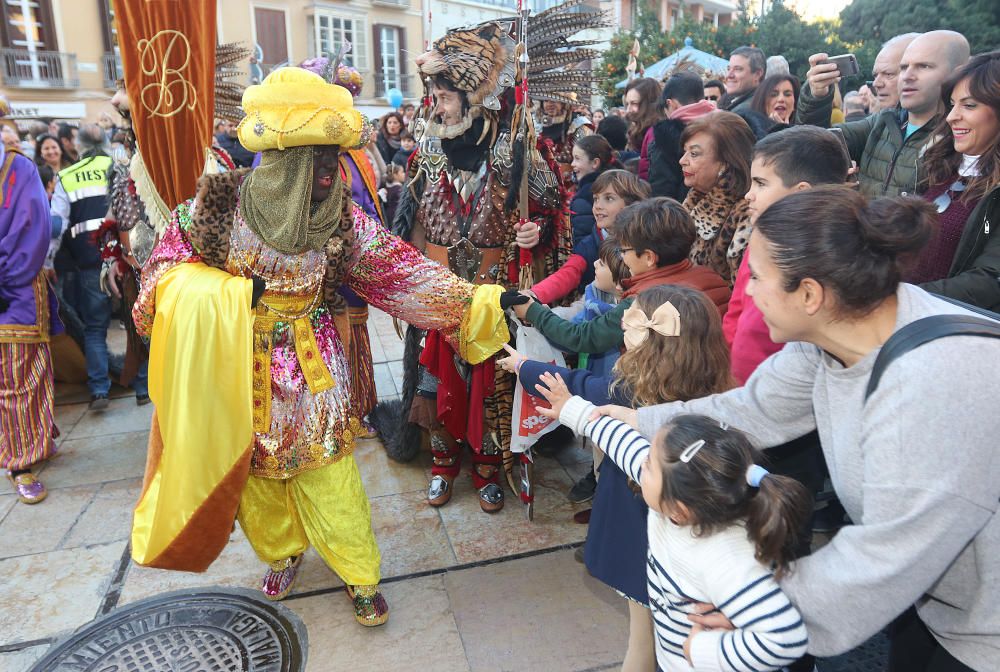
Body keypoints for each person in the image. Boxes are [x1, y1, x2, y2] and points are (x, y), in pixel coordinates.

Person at [132, 66, 516, 626]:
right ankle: (282, 552)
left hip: (315, 368)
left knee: (329, 472)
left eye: (333, 159)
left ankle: (359, 574)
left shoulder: (342, 219)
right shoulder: (212, 211)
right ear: (286, 161)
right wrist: (231, 295)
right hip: (238, 369)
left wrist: (480, 304)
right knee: (256, 477)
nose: (330, 172)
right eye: (319, 160)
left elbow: (403, 274)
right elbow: (156, 287)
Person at [594, 187, 1000, 672]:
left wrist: (763, 607)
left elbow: (885, 556)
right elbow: (755, 409)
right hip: (938, 599)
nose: (745, 291)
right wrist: (643, 419)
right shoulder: (839, 332)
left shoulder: (929, 387)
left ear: (809, 294)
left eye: (758, 277)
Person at [375, 5, 604, 510]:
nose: (437, 101)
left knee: (490, 381)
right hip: (437, 283)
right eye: (433, 92)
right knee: (435, 378)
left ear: (472, 94)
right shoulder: (424, 151)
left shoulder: (518, 146)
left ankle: (485, 468)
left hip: (492, 283)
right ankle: (441, 464)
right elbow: (410, 219)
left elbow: (554, 212)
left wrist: (535, 232)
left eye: (446, 92)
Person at [508, 284, 739, 672]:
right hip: (697, 555)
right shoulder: (720, 401)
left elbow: (574, 387)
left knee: (642, 638)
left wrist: (522, 366)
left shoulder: (628, 394)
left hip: (639, 540)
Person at [540, 386, 810, 672]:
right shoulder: (675, 498)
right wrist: (573, 409)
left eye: (649, 465)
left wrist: (705, 652)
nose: (641, 462)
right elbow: (626, 445)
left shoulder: (725, 557)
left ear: (678, 509)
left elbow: (785, 639)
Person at [728, 126, 850, 385]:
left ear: (801, 192)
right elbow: (735, 312)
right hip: (736, 386)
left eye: (761, 183)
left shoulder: (827, 256)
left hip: (784, 393)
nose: (748, 194)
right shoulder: (760, 241)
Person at [797, 31, 969, 198]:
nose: (908, 76)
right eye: (903, 67)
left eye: (923, 66)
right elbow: (812, 142)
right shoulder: (881, 123)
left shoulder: (962, 137)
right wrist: (816, 96)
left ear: (957, 72)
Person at [0, 95, 62, 506]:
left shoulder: (17, 167)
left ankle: (22, 459)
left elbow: (31, 232)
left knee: (19, 377)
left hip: (13, 289)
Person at [912, 51, 1000, 311]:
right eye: (952, 104)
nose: (951, 116)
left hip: (947, 331)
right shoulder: (938, 163)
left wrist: (902, 298)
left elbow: (988, 281)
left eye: (969, 105)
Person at [50, 124, 114, 410]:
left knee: (95, 328)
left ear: (78, 145)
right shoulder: (118, 166)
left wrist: (48, 262)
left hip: (90, 263)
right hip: (124, 260)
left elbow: (57, 225)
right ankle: (142, 385)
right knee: (139, 325)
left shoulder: (66, 176)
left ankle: (100, 389)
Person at [529, 169, 650, 308]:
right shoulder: (589, 245)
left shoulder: (647, 240)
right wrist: (534, 294)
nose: (598, 206)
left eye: (609, 198)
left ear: (631, 204)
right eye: (596, 199)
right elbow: (568, 273)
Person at [679, 111, 756, 286]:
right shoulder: (696, 198)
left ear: (726, 162)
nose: (682, 161)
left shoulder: (748, 211)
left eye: (694, 154)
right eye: (685, 152)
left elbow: (743, 293)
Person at [643, 71, 715, 200]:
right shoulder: (725, 125)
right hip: (723, 210)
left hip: (682, 214)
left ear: (671, 104)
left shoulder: (665, 137)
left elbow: (662, 191)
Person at [569, 135, 615, 244]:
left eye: (577, 158)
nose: (572, 164)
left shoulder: (583, 198)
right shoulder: (621, 183)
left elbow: (582, 241)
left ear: (595, 163)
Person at [538, 98, 594, 187]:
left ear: (564, 102)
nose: (549, 104)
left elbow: (586, 158)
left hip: (572, 185)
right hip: (542, 184)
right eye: (545, 101)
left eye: (553, 100)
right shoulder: (536, 124)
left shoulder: (579, 124)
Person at [622, 77, 662, 153]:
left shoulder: (657, 134)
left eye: (634, 103)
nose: (628, 110)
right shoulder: (637, 132)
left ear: (648, 104)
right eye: (627, 104)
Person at [722, 46, 765, 114]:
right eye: (728, 69)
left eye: (738, 69)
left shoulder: (744, 113)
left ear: (757, 74)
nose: (729, 75)